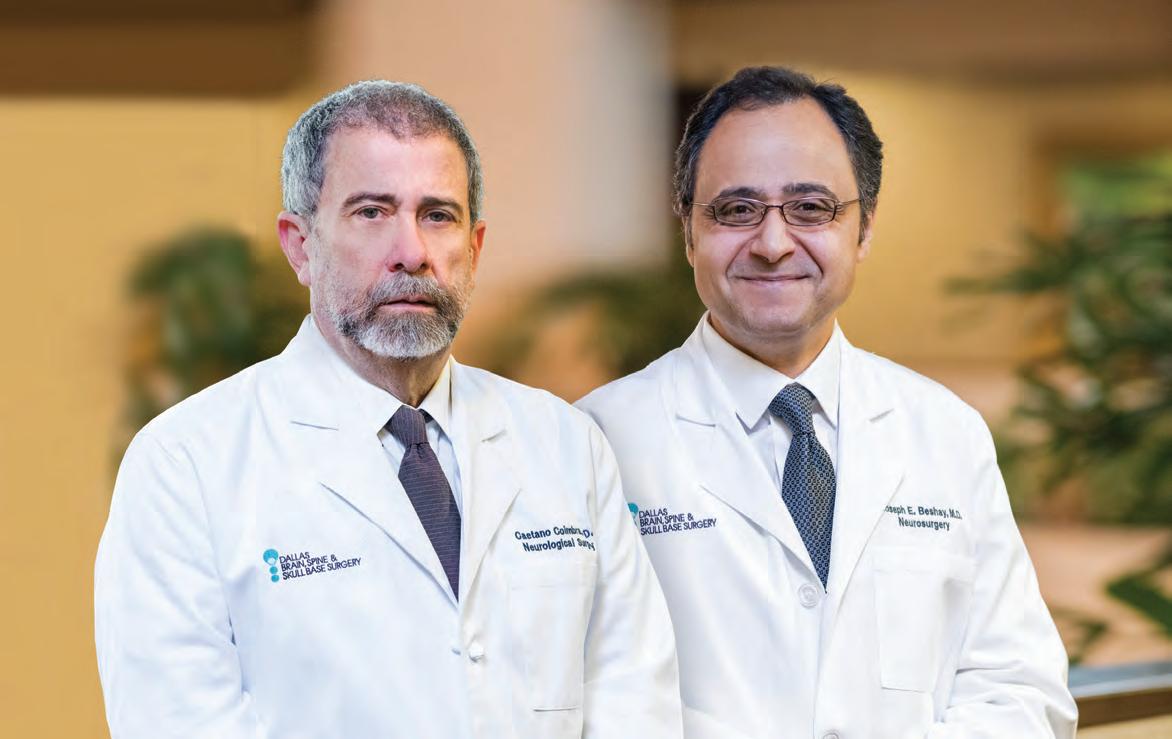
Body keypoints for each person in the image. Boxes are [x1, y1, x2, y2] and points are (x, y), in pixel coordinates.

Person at [95, 80, 682, 739]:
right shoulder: (186, 464)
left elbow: (635, 697)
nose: (412, 252)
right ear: (299, 245)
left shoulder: (566, 443)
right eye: (372, 212)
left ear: (474, 248)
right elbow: (178, 719)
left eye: (438, 215)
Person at [577, 66, 1077, 738]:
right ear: (689, 231)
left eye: (810, 208)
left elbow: (1020, 688)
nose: (773, 243)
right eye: (736, 210)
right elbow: (576, 694)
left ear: (863, 228)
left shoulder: (945, 431)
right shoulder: (597, 439)